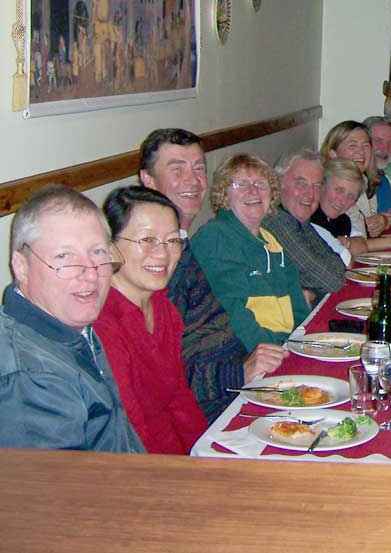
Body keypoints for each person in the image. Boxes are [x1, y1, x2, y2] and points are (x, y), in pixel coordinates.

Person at [138, 128, 285, 421]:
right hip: (211, 414)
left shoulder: (186, 247)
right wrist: (240, 372)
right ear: (148, 180)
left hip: (244, 386)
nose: (192, 180)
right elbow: (158, 378)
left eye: (198, 168)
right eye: (177, 169)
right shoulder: (150, 265)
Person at [0, 185, 143, 452]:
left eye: (98, 252)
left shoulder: (69, 328)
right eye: (64, 256)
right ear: (21, 267)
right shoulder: (30, 378)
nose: (90, 272)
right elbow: (57, 480)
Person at [94, 186, 207, 454]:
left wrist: (207, 453)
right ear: (110, 249)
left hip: (175, 453)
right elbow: (131, 429)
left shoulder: (163, 308)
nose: (163, 253)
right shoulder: (103, 325)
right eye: (147, 240)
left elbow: (179, 398)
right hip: (141, 461)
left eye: (172, 240)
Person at [190, 154, 309, 350]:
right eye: (242, 184)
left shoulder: (270, 240)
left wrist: (302, 339)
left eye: (261, 184)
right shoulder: (216, 237)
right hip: (248, 352)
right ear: (224, 195)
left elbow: (297, 301)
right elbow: (231, 311)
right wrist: (276, 348)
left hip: (285, 344)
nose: (253, 191)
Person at [262, 149, 346, 304]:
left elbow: (339, 265)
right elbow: (332, 281)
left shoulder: (300, 220)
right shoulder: (276, 221)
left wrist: (313, 291)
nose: (310, 194)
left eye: (316, 186)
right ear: (278, 185)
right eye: (301, 184)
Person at [320, 121, 390, 238]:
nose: (361, 152)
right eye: (352, 145)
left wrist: (382, 220)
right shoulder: (331, 189)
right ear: (333, 154)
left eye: (366, 146)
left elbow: (367, 229)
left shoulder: (366, 181)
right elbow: (356, 240)